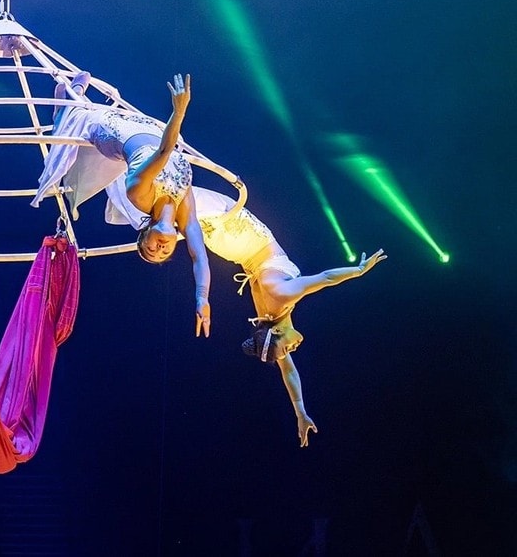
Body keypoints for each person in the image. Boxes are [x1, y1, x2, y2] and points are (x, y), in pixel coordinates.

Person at [109, 183, 386, 446]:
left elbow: (324, 278)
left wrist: (358, 271)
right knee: (167, 214)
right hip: (231, 243)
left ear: (277, 332)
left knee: (171, 200)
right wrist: (300, 412)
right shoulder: (270, 318)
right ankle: (127, 188)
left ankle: (130, 178)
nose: (294, 347)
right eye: (288, 349)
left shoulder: (280, 295)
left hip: (232, 229)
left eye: (287, 346)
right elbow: (288, 371)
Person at [33, 72, 211, 336]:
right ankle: (66, 108)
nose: (159, 249)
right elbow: (199, 257)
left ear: (145, 233)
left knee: (86, 118)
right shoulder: (185, 211)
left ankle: (68, 106)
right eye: (164, 253)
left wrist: (180, 112)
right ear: (175, 242)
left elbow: (164, 152)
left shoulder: (138, 195)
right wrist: (202, 298)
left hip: (110, 132)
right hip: (151, 128)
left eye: (151, 250)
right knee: (87, 119)